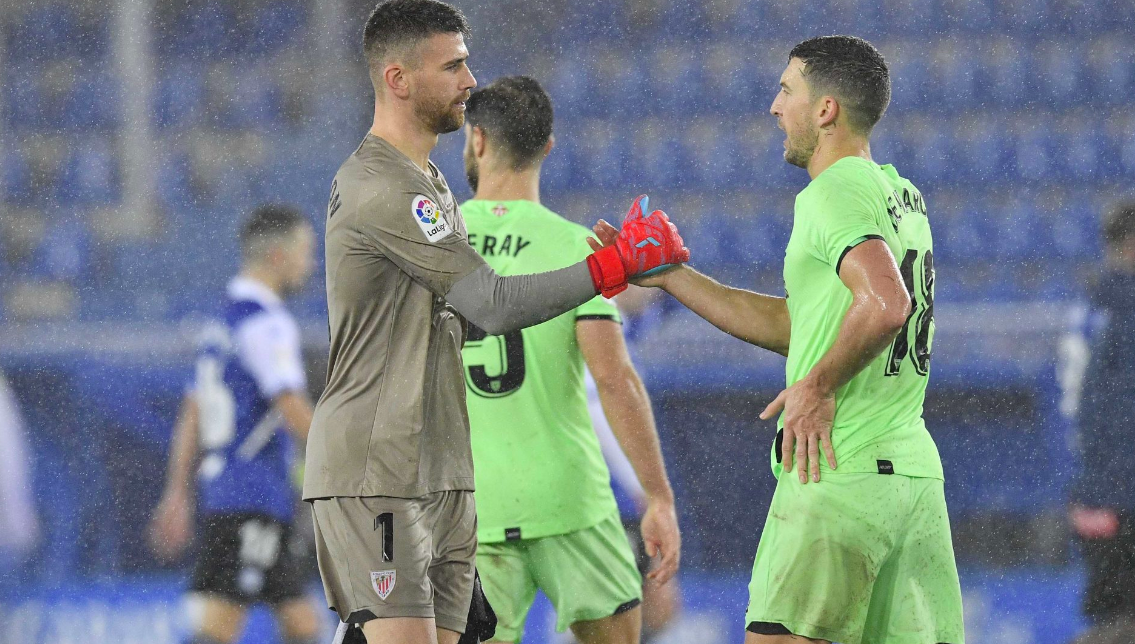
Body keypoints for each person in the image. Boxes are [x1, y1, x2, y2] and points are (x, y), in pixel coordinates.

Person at [300, 3, 690, 644]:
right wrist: (610, 267)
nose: (469, 79)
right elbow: (507, 314)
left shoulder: (435, 198)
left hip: (455, 485)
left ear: (479, 143)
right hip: (419, 475)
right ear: (398, 79)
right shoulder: (395, 191)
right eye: (453, 66)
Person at [593, 35, 964, 644]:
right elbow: (804, 325)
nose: (774, 106)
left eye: (787, 90)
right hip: (910, 479)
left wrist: (817, 386)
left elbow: (886, 304)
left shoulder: (833, 190)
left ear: (826, 110)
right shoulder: (901, 195)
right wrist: (672, 276)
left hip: (837, 468)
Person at [458, 76, 681, 644]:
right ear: (548, 148)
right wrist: (658, 495)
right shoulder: (576, 247)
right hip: (567, 498)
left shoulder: (433, 245)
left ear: (477, 140)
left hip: (469, 504)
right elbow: (615, 379)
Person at [149, 204, 325, 644]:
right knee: (220, 626)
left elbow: (192, 412)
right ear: (278, 256)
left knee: (302, 623)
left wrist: (177, 490)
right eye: (305, 251)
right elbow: (291, 406)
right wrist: (353, 460)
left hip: (237, 491)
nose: (311, 264)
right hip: (251, 494)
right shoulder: (267, 323)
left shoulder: (222, 322)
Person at [1068, 202, 1135, 644]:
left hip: (1093, 484)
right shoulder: (1126, 308)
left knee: (1109, 618)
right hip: (1122, 490)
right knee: (1121, 623)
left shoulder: (1090, 305)